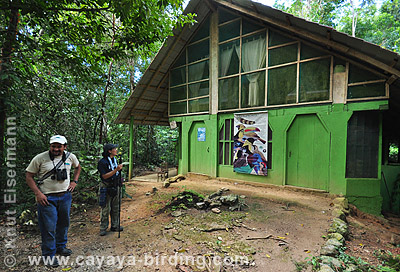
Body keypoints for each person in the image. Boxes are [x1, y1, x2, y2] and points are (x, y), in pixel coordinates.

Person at [26, 135, 81, 267]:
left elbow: (78, 167)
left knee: (64, 223)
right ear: (50, 146)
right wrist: (38, 193)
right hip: (47, 198)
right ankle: (48, 256)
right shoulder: (40, 158)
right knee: (48, 227)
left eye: (59, 146)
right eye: (53, 146)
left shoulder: (70, 157)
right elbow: (29, 176)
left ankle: (61, 247)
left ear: (65, 146)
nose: (56, 149)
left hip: (65, 196)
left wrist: (74, 181)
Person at [97, 143, 124, 236]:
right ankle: (103, 227)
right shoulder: (102, 162)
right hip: (106, 186)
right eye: (114, 149)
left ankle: (115, 225)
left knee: (116, 207)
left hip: (115, 185)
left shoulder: (114, 160)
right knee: (105, 208)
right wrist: (116, 170)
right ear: (109, 151)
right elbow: (104, 176)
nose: (116, 150)